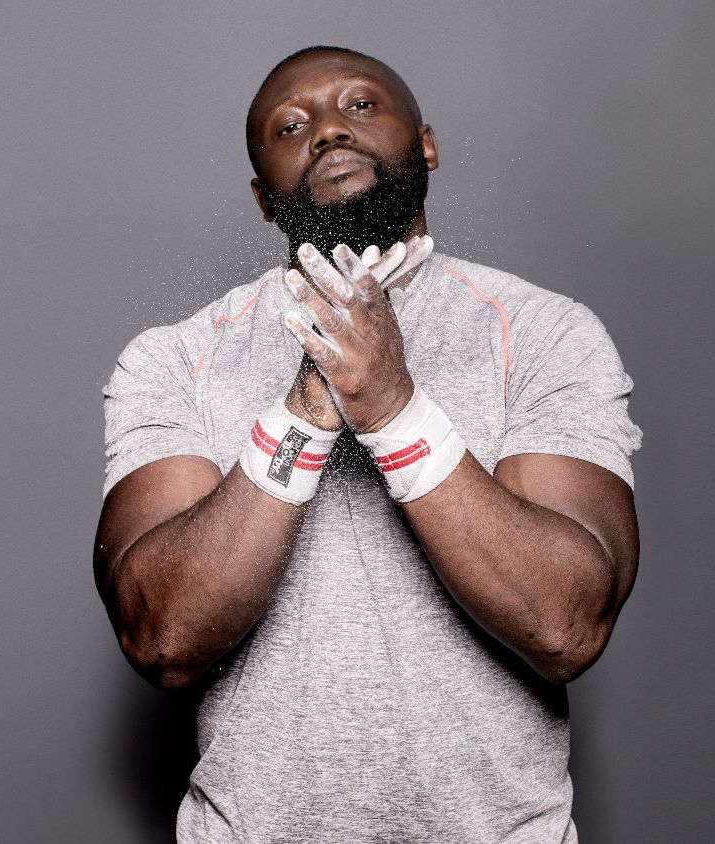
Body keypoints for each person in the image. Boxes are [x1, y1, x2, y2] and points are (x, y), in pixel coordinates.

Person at [94, 45, 642, 843]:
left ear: (426, 144)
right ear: (263, 198)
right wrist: (308, 406)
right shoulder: (176, 358)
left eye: (359, 105)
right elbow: (162, 638)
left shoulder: (543, 333)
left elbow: (565, 627)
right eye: (291, 126)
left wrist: (390, 407)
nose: (326, 130)